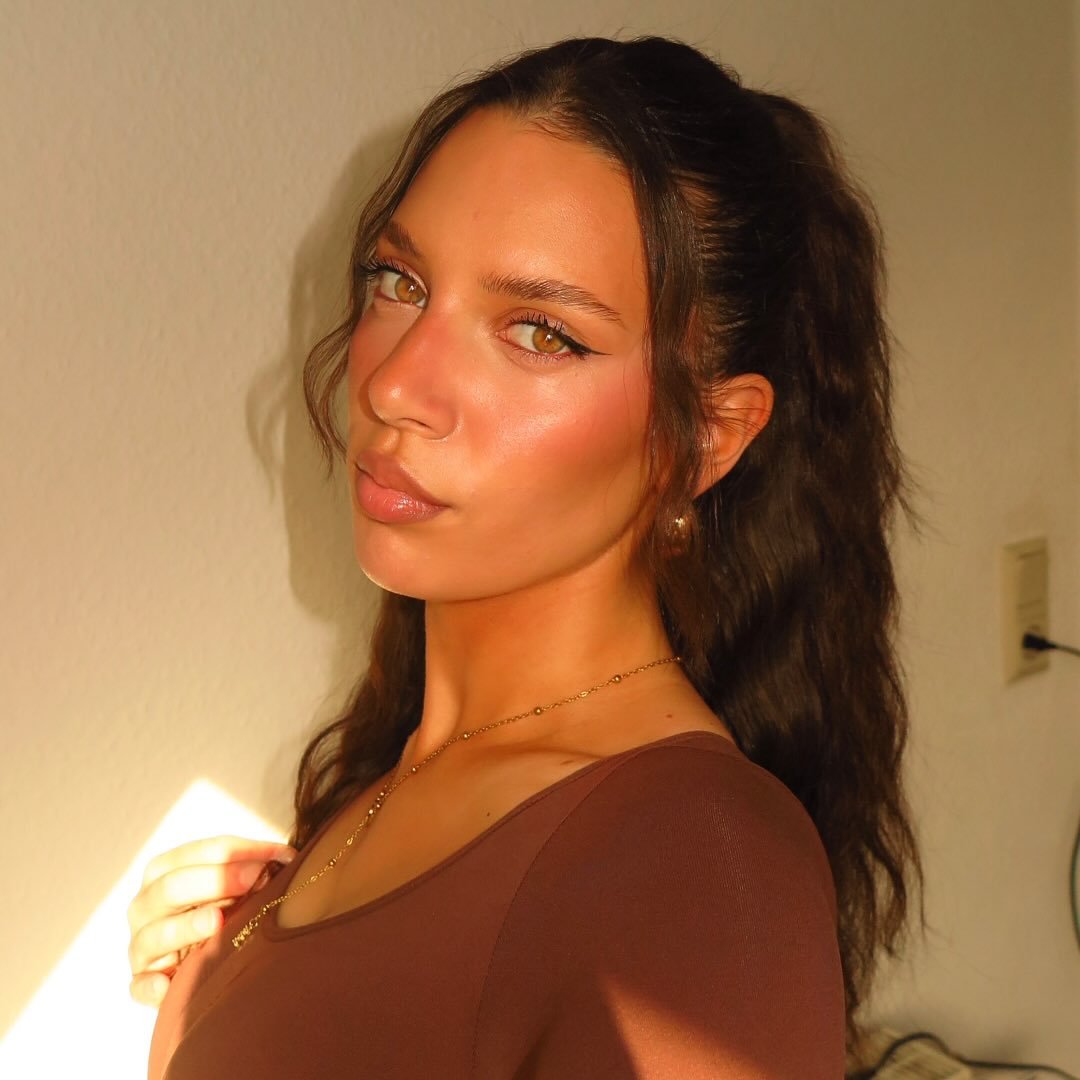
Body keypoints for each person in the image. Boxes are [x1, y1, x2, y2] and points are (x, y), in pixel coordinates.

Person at [128, 33, 923, 1078]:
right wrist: (218, 985)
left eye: (541, 333)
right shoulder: (374, 797)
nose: (396, 386)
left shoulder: (697, 861)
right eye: (400, 281)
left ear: (706, 437)